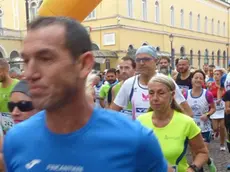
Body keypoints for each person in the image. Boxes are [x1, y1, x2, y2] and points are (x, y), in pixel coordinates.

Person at [3, 17, 169, 171]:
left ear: (84, 64)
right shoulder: (16, 140)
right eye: (26, 61)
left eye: (46, 58)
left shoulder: (136, 141)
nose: (30, 73)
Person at [138, 74, 208, 172]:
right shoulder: (140, 122)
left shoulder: (186, 122)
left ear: (172, 94)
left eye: (161, 93)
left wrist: (192, 169)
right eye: (151, 93)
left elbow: (202, 152)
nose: (155, 98)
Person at [111, 45, 193, 119]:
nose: (141, 63)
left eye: (146, 59)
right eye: (138, 60)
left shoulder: (166, 81)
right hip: (140, 134)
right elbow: (112, 113)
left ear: (156, 61)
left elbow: (188, 113)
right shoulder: (130, 83)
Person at [184, 70, 217, 172]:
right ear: (192, 79)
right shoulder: (185, 94)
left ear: (203, 81)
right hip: (191, 128)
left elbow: (213, 108)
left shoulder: (208, 94)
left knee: (203, 152)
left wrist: (207, 114)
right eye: (196, 77)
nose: (198, 80)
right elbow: (182, 109)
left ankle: (209, 161)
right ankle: (204, 166)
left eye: (201, 78)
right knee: (195, 154)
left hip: (204, 128)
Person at [208, 68, 226, 151]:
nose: (216, 76)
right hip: (215, 109)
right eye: (214, 74)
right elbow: (207, 95)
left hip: (223, 108)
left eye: (218, 74)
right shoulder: (211, 85)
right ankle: (216, 131)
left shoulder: (225, 85)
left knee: (222, 127)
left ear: (221, 76)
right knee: (215, 128)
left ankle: (222, 144)